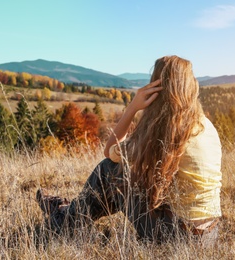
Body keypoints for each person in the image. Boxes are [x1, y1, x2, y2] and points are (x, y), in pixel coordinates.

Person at [36, 55, 222, 246]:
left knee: (109, 170)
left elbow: (110, 152)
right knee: (127, 180)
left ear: (157, 88)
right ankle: (70, 212)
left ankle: (66, 218)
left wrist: (132, 107)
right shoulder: (205, 125)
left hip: (175, 237)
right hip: (208, 235)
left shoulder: (166, 129)